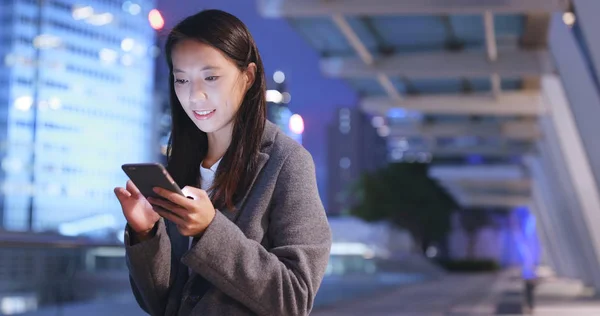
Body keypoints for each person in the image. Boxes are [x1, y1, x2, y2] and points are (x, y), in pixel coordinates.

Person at [114, 9, 332, 316]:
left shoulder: (287, 163)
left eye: (211, 77)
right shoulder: (182, 163)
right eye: (181, 79)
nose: (194, 95)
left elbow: (293, 298)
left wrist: (209, 230)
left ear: (249, 76)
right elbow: (160, 303)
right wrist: (146, 233)